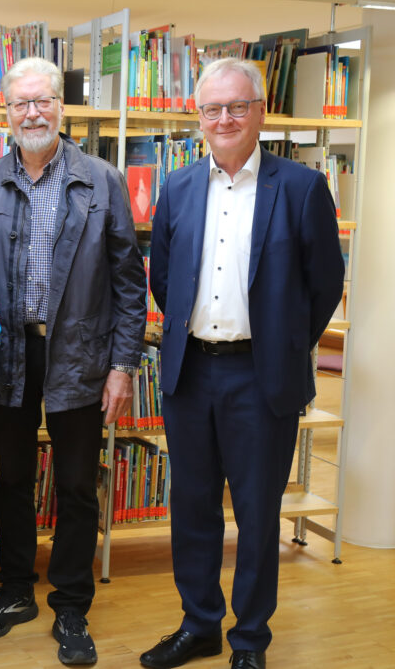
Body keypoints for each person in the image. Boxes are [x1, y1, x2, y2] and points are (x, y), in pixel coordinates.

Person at [142, 58, 345, 669]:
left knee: (257, 512)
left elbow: (324, 284)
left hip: (261, 378)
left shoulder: (303, 188)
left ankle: (250, 640)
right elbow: (163, 279)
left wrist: (282, 345)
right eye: (212, 109)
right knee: (193, 506)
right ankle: (199, 623)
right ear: (197, 117)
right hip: (190, 373)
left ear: (260, 113)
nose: (224, 119)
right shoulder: (177, 188)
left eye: (236, 107)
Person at [0, 57, 147, 666]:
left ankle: (71, 601)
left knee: (74, 481)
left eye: (42, 102)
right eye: (20, 104)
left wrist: (122, 366)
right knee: (10, 476)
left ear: (60, 108)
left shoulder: (102, 180)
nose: (32, 113)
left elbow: (128, 281)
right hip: (8, 353)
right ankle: (16, 589)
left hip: (82, 351)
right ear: (6, 112)